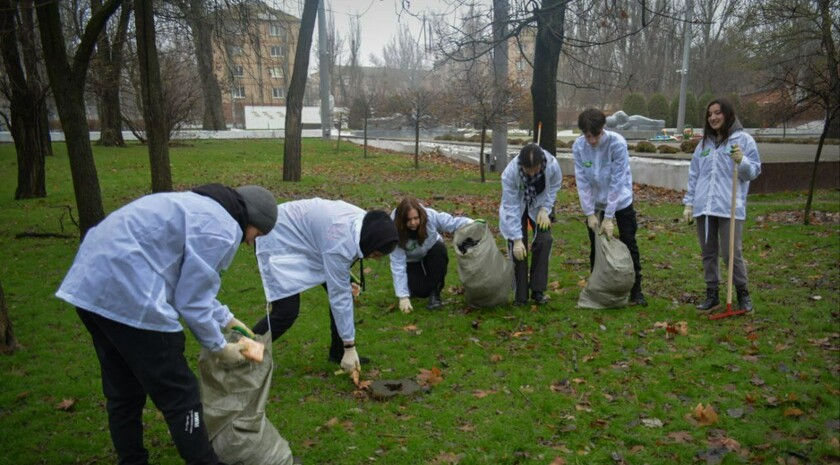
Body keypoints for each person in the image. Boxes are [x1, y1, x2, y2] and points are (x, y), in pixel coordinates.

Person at [56, 184, 278, 465]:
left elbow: (185, 282)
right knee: (180, 395)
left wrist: (227, 319)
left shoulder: (193, 206)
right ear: (252, 219)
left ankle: (132, 460)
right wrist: (219, 347)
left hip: (89, 286)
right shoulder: (222, 229)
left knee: (123, 391)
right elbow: (191, 301)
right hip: (132, 295)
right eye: (256, 235)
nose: (250, 243)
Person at [252, 198, 398, 373]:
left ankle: (338, 352)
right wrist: (351, 347)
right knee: (285, 312)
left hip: (313, 240)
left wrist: (346, 278)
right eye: (375, 253)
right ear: (369, 241)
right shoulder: (339, 241)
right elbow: (339, 295)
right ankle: (241, 353)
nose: (374, 259)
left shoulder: (367, 224)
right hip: (278, 235)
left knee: (345, 291)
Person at [683, 98, 761, 312]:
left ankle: (742, 293)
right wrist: (689, 203)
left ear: (727, 114)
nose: (713, 117)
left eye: (717, 113)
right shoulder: (704, 144)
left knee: (731, 254)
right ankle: (712, 294)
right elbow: (694, 175)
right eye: (710, 114)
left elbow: (753, 172)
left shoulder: (743, 140)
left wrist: (742, 160)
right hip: (704, 207)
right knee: (708, 253)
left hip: (729, 207)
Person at [573, 108, 648, 306]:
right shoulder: (579, 147)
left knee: (629, 242)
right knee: (596, 247)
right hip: (596, 202)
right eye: (588, 136)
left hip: (621, 201)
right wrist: (590, 213)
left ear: (602, 129)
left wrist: (609, 217)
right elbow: (582, 182)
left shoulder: (617, 143)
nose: (592, 141)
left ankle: (636, 290)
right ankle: (598, 287)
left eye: (595, 135)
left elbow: (618, 180)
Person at [499, 142, 563, 305]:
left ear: (541, 164)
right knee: (518, 249)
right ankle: (520, 295)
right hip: (518, 206)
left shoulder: (552, 165)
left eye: (535, 169)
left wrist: (545, 208)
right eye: (528, 170)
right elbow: (511, 206)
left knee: (544, 239)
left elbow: (555, 186)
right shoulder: (510, 174)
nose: (532, 173)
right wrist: (517, 238)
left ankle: (538, 290)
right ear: (522, 165)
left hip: (539, 205)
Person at [390, 197, 474, 312]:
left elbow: (451, 223)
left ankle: (435, 293)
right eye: (409, 220)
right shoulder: (395, 231)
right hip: (411, 260)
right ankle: (413, 286)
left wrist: (473, 224)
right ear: (402, 220)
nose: (413, 223)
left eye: (416, 218)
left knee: (439, 249)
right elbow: (398, 265)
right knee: (422, 292)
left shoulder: (430, 216)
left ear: (421, 216)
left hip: (432, 250)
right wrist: (403, 297)